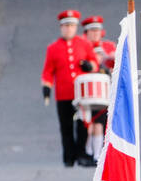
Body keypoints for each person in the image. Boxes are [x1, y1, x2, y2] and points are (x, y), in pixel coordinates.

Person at [40, 10, 99, 167]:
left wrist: (89, 66)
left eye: (72, 26)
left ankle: (82, 154)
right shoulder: (53, 48)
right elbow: (48, 72)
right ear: (61, 27)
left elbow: (94, 63)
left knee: (83, 125)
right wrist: (46, 89)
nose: (69, 29)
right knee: (66, 126)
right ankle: (68, 156)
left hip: (82, 94)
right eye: (66, 26)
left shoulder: (84, 44)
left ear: (76, 27)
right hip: (63, 94)